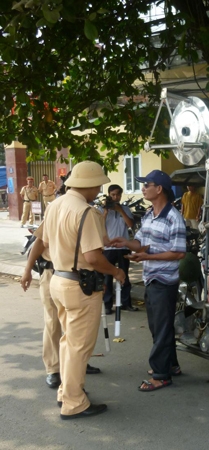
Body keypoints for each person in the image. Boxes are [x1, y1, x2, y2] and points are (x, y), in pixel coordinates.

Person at [41, 161, 125, 420]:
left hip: (58, 279)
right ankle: (74, 402)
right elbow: (93, 258)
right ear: (88, 185)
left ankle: (66, 392)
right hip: (80, 285)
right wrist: (116, 272)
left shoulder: (55, 205)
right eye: (98, 184)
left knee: (68, 343)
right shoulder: (86, 211)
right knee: (78, 347)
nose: (100, 188)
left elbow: (43, 241)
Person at [109, 170, 186, 392]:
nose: (143, 188)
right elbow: (141, 242)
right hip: (150, 278)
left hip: (164, 280)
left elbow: (179, 252)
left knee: (160, 328)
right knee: (158, 326)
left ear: (159, 189)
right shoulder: (150, 214)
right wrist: (124, 242)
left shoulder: (174, 217)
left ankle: (161, 375)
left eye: (147, 185)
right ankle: (171, 365)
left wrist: (146, 257)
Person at [20, 220, 102, 390]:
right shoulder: (55, 212)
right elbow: (39, 243)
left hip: (80, 277)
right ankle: (53, 369)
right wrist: (27, 270)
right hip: (52, 273)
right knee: (52, 322)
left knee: (77, 325)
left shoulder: (85, 213)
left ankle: (77, 364)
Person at [100, 184, 137, 314]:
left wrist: (120, 210)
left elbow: (130, 224)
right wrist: (105, 211)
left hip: (123, 246)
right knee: (107, 277)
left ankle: (126, 303)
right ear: (109, 195)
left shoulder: (125, 209)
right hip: (108, 247)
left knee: (124, 276)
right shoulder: (101, 209)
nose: (115, 197)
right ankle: (108, 305)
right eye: (113, 195)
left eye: (118, 195)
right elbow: (99, 226)